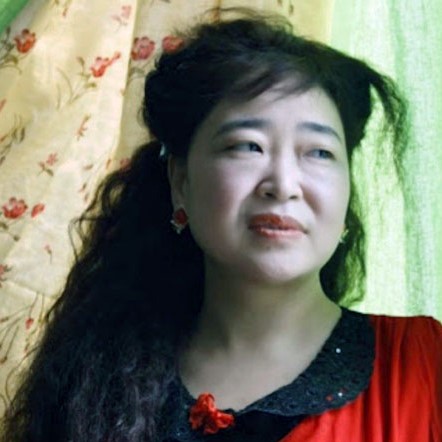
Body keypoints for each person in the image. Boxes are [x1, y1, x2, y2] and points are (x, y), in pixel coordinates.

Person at [1, 8, 441, 442]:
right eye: (247, 146)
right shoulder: (94, 382)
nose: (284, 184)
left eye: (319, 152)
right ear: (181, 181)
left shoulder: (425, 366)